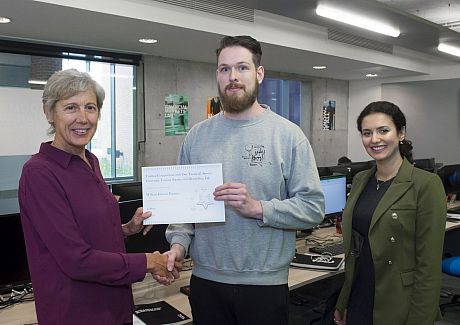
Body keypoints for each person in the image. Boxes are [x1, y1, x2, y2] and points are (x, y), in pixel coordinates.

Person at [158, 35, 325, 325]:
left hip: (265, 285)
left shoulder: (287, 136)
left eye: (242, 68)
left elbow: (313, 208)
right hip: (206, 282)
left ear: (259, 74)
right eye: (224, 69)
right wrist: (178, 246)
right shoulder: (197, 136)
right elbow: (184, 212)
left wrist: (258, 208)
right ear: (217, 75)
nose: (232, 77)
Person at [18, 69, 174, 325]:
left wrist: (125, 229)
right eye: (70, 107)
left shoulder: (90, 161)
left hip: (116, 306)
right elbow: (76, 260)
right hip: (77, 313)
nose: (83, 118)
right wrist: (148, 261)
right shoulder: (39, 173)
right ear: (49, 113)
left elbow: (85, 231)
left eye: (90, 107)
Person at [334, 101, 446, 325]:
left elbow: (429, 267)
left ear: (401, 133)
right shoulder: (360, 180)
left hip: (399, 301)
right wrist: (343, 300)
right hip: (360, 294)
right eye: (367, 133)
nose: (374, 139)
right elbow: (355, 251)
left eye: (383, 130)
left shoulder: (425, 185)